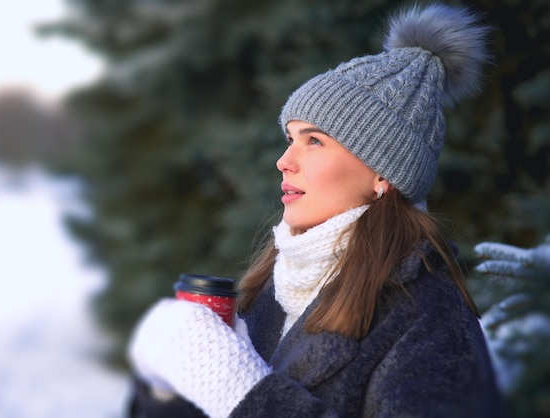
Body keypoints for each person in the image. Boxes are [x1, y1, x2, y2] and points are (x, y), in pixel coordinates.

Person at [127, 3, 505, 417]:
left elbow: (242, 398)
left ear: (383, 173)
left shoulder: (431, 318)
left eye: (314, 141)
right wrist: (164, 389)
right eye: (289, 138)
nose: (284, 161)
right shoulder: (274, 287)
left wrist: (244, 393)